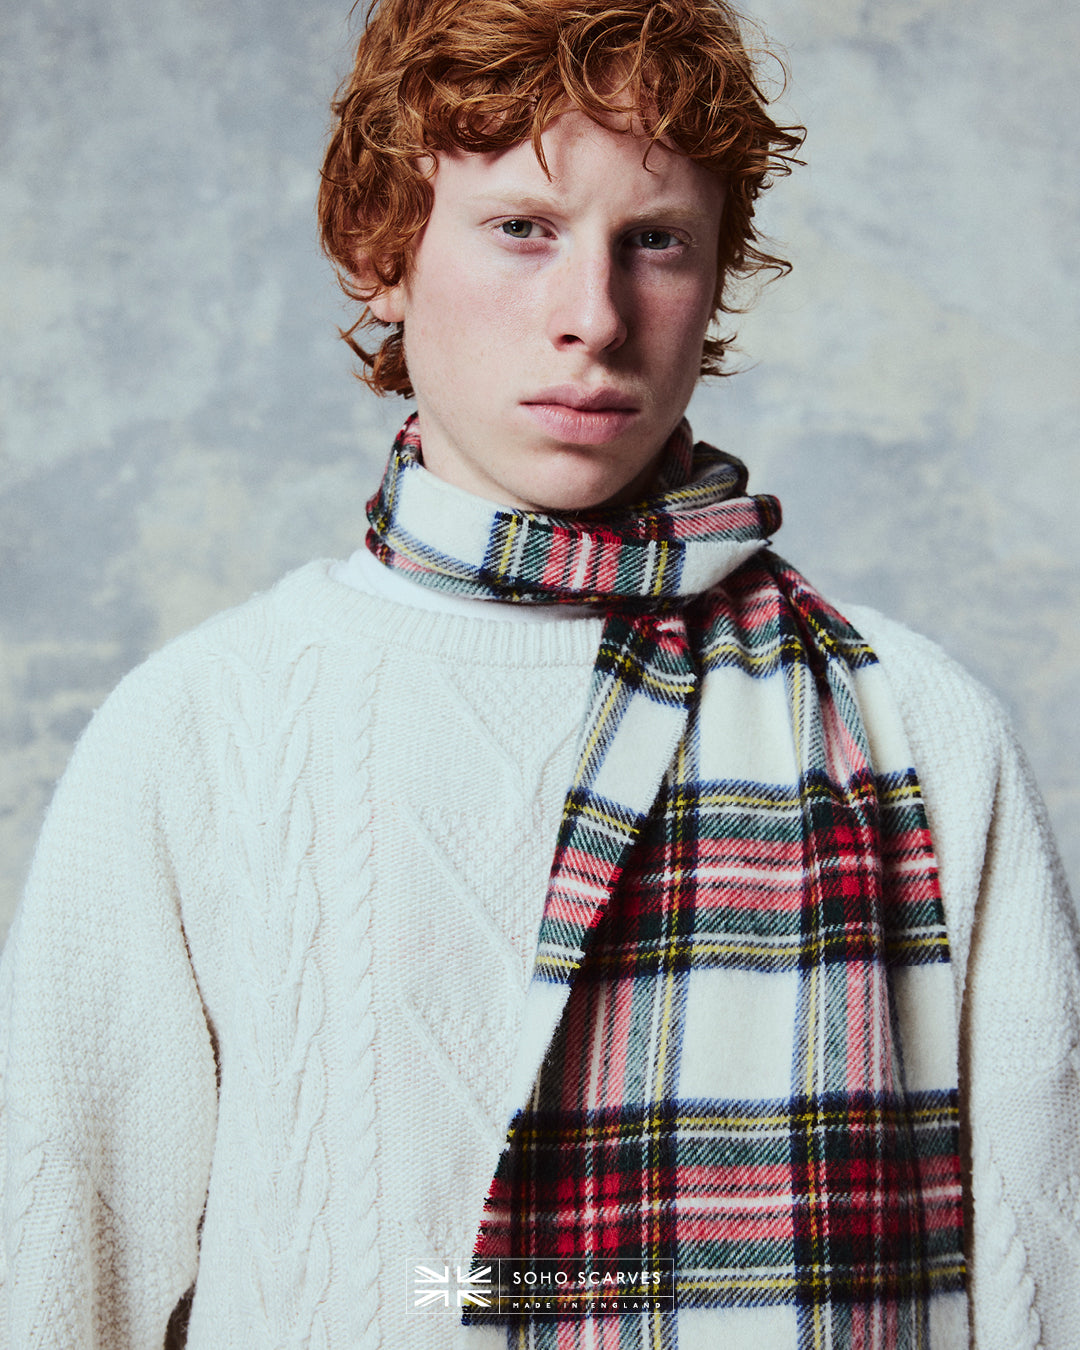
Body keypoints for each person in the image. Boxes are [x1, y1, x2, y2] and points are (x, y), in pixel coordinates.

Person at [1, 0, 1076, 1345]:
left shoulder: (917, 729)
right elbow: (55, 1285)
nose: (595, 318)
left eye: (657, 242)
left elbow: (1049, 1267)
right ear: (384, 249)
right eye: (524, 228)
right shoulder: (199, 733)